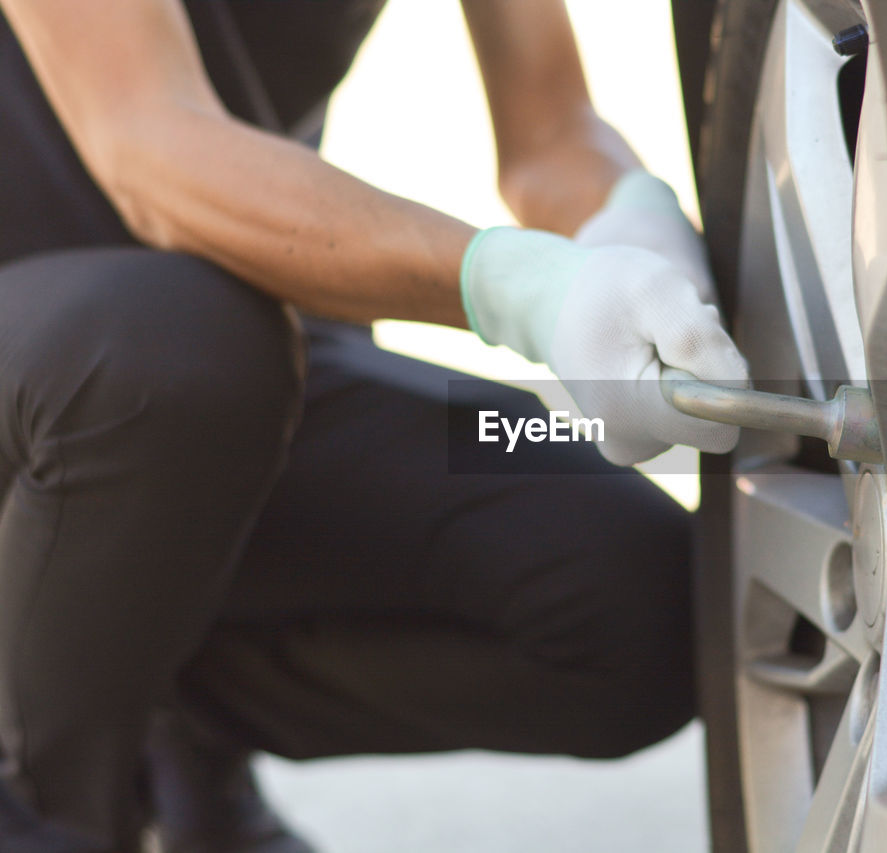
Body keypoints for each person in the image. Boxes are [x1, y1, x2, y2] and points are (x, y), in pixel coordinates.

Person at [0, 0, 748, 850]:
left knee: (640, 603)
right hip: (76, 355)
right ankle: (42, 808)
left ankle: (168, 725)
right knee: (171, 349)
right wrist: (524, 287)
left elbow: (550, 132)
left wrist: (632, 225)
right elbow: (149, 145)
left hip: (235, 369)